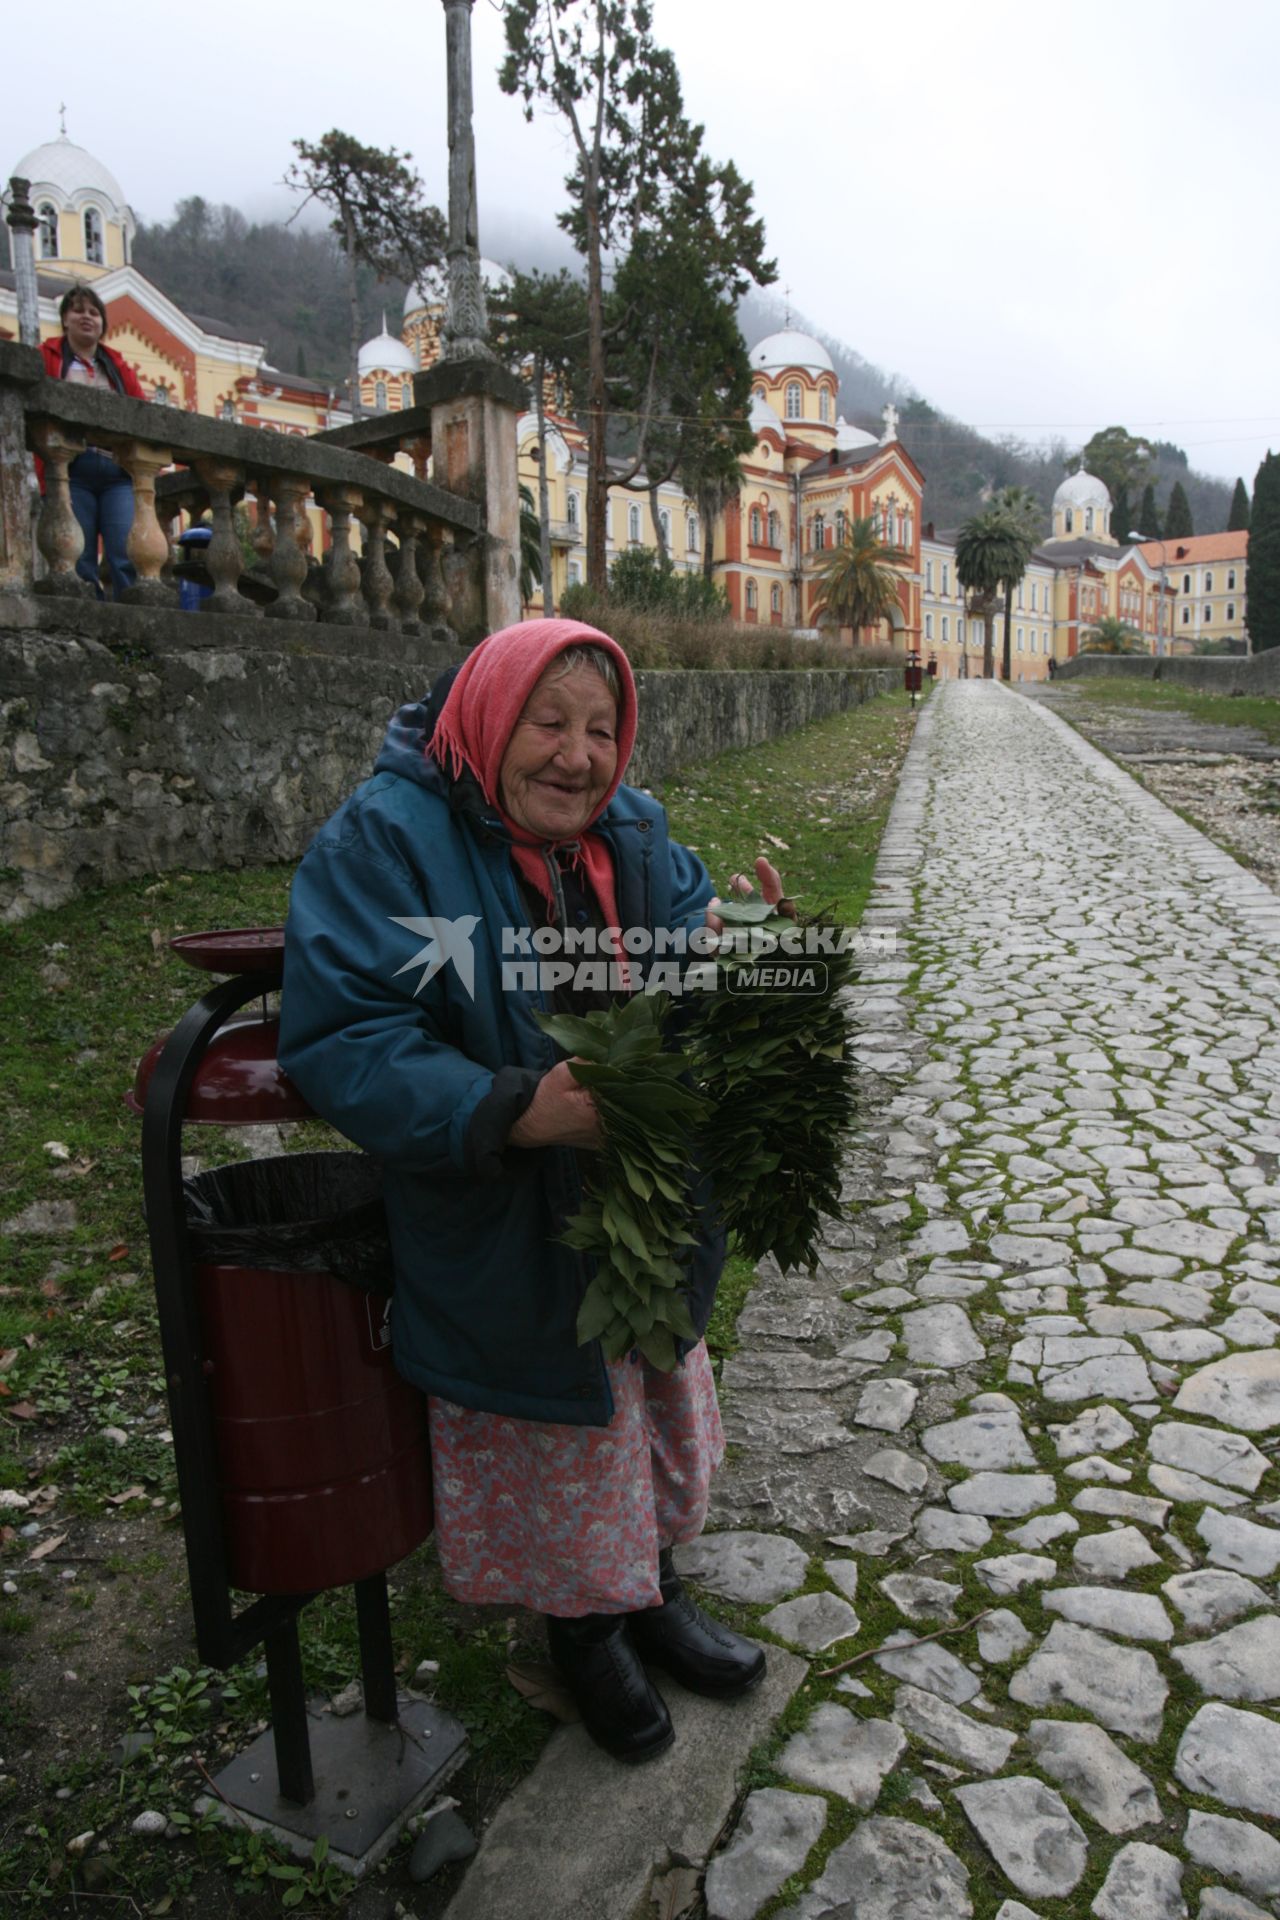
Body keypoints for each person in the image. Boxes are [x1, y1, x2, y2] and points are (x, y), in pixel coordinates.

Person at [279, 618, 773, 1765]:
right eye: (547, 723)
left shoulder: (636, 837)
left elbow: (685, 963)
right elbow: (348, 1035)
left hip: (638, 1211)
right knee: (553, 1434)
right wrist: (511, 1110)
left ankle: (649, 1587)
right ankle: (580, 1628)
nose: (578, 756)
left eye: (602, 730)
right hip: (504, 1220)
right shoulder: (390, 843)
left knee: (642, 1399)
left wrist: (740, 945)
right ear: (491, 717)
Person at [38, 284, 144, 598]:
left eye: (94, 312)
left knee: (125, 551)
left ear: (102, 324)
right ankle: (90, 622)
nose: (87, 317)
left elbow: (141, 411)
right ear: (65, 319)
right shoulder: (49, 358)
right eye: (78, 311)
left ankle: (136, 621)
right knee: (78, 555)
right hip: (72, 470)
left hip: (116, 471)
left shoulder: (116, 365)